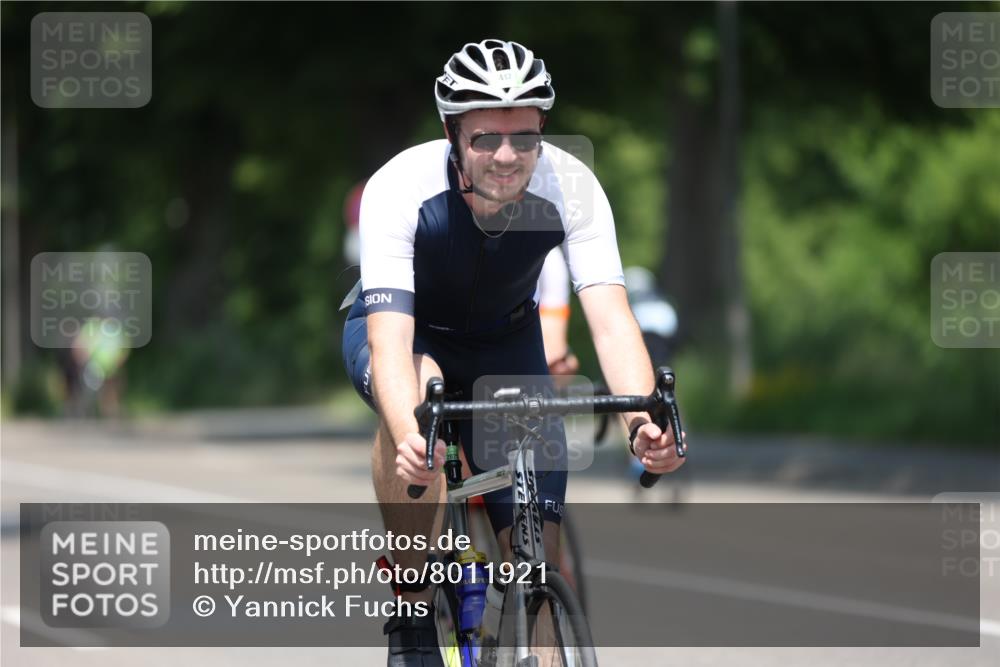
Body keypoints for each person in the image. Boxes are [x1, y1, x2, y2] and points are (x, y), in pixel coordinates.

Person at [341, 38, 686, 667]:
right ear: (452, 134)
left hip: (506, 342)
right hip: (409, 334)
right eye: (486, 138)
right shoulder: (400, 186)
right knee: (417, 407)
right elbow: (390, 342)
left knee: (536, 559)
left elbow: (612, 322)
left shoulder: (570, 186)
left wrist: (643, 425)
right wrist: (408, 435)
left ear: (542, 131)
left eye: (524, 137)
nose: (506, 155)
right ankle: (414, 610)